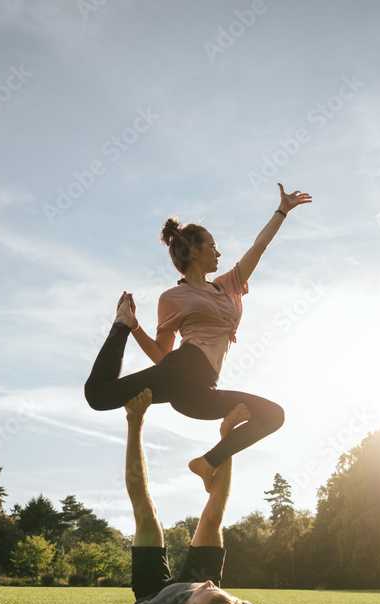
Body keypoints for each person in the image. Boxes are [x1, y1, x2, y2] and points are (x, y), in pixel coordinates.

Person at [0, 391, 335, 604]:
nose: (211, 583)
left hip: (152, 594)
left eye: (206, 592)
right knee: (213, 517)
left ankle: (135, 422)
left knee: (146, 514)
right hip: (191, 600)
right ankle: (225, 441)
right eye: (219, 592)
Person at [84, 183, 312, 492]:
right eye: (212, 246)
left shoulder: (228, 285)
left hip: (200, 391)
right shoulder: (173, 297)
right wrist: (135, 326)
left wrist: (282, 210)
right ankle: (120, 325)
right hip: (182, 369)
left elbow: (258, 247)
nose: (218, 252)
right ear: (194, 252)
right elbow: (162, 355)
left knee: (273, 416)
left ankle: (206, 463)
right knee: (98, 396)